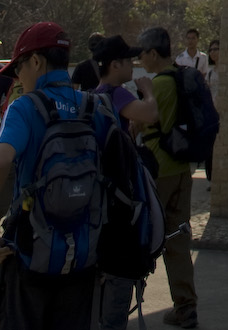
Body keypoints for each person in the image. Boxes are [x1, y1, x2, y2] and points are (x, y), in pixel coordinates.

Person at [0, 20, 115, 330]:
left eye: (19, 68)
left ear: (36, 61)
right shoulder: (96, 106)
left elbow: (3, 158)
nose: (18, 78)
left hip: (31, 256)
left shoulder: (24, 107)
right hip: (85, 257)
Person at [94, 36, 160, 330]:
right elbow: (151, 114)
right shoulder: (115, 93)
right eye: (129, 61)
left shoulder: (94, 95)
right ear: (114, 65)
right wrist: (148, 92)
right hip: (120, 199)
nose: (133, 65)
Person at [137, 26, 198, 328]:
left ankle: (125, 302)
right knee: (178, 240)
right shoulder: (180, 76)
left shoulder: (159, 84)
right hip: (182, 170)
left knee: (141, 238)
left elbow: (138, 123)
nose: (140, 60)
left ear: (152, 53)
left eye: (142, 54)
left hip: (158, 171)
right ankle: (186, 307)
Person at [204, 39, 220, 181]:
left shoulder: (225, 71)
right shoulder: (210, 73)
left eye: (216, 49)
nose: (213, 52)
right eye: (211, 50)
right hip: (212, 113)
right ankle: (210, 178)